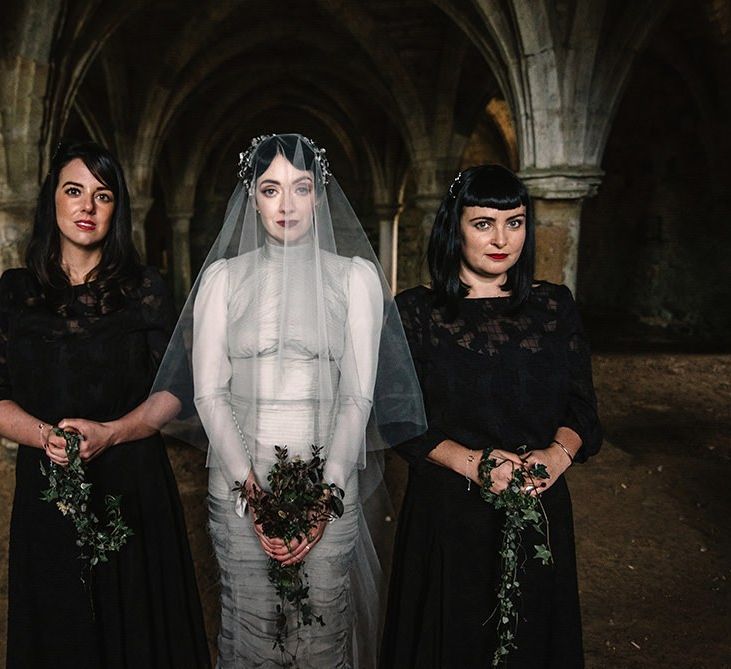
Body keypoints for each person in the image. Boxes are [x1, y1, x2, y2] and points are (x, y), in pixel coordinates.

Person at [148, 133, 425, 668]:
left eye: (300, 188)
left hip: (330, 481)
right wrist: (254, 497)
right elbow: (208, 393)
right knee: (250, 629)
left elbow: (356, 396)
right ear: (251, 195)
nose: (286, 204)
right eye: (271, 188)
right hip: (239, 485)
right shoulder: (222, 280)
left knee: (320, 633)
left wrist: (324, 500)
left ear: (319, 195)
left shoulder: (355, 279)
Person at [380, 164, 602, 668]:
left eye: (516, 222)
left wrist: (554, 456)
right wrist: (473, 463)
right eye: (484, 223)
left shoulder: (553, 306)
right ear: (455, 226)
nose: (503, 238)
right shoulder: (416, 311)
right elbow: (396, 418)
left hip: (537, 507)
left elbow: (583, 409)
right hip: (449, 515)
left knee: (531, 643)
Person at [0, 141, 210, 668]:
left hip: (133, 485)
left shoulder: (145, 288)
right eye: (74, 191)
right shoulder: (15, 291)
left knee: (136, 630)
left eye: (103, 195)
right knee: (61, 626)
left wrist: (112, 433)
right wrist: (46, 438)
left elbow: (174, 391)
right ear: (53, 199)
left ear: (118, 210)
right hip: (50, 490)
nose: (87, 206)